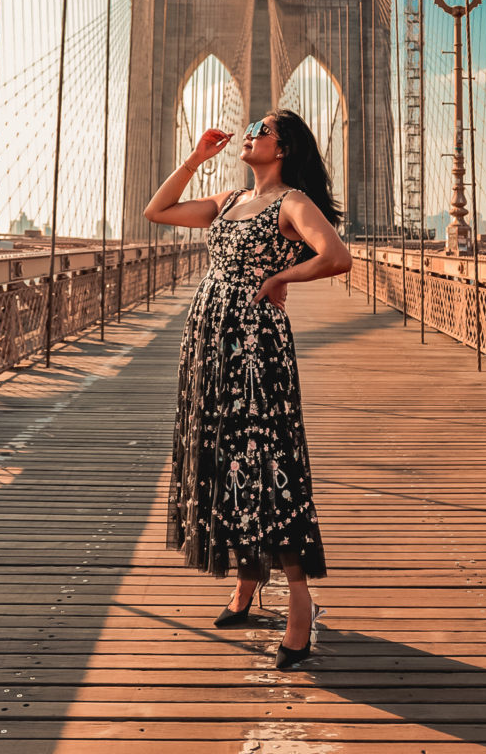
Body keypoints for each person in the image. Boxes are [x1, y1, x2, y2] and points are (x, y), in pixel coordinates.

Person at [143, 108, 352, 668]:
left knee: (267, 462)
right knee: (221, 457)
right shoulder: (230, 201)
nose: (250, 134)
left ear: (282, 149)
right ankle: (245, 580)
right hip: (208, 340)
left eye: (263, 130)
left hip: (257, 348)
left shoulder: (293, 203)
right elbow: (157, 210)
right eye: (252, 128)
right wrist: (195, 158)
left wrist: (282, 276)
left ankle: (300, 605)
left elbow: (337, 256)